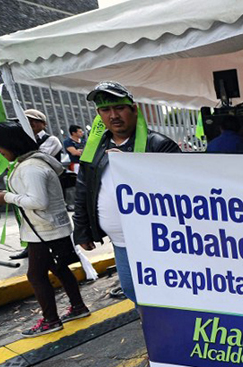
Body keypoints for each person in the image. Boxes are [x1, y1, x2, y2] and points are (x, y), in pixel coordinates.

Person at [74, 81, 181, 303]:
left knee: (168, 294)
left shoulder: (159, 145)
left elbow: (179, 193)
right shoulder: (95, 148)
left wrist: (130, 166)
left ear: (133, 109)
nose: (113, 115)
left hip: (159, 241)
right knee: (132, 290)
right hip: (120, 242)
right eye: (105, 110)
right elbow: (84, 190)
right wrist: (82, 230)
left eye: (119, 108)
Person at [0, 121, 90, 337]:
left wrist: (7, 197)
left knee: (36, 275)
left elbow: (38, 201)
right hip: (49, 228)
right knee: (60, 268)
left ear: (10, 143)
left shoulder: (31, 167)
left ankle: (51, 320)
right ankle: (78, 307)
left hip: (44, 231)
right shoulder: (31, 163)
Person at [10, 110, 65, 260]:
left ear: (44, 124)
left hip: (47, 187)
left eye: (34, 120)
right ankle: (31, 247)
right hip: (28, 185)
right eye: (26, 121)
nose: (30, 124)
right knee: (29, 216)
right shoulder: (23, 141)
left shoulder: (51, 140)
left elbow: (36, 156)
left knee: (47, 218)